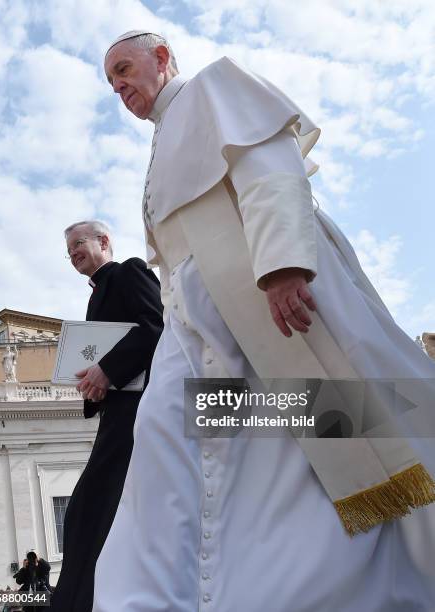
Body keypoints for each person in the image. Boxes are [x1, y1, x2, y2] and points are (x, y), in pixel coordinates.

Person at [93, 32, 435, 611]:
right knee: (176, 435)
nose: (119, 85)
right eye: (111, 81)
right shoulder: (158, 148)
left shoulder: (213, 87)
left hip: (263, 292)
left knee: (325, 429)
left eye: (124, 68)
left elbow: (270, 168)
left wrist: (282, 266)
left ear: (162, 58)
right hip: (196, 321)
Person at [50, 220, 163, 612]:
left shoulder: (130, 271)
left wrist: (107, 370)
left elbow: (156, 327)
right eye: (69, 251)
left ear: (104, 241)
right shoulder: (94, 296)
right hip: (116, 415)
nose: (73, 253)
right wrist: (94, 383)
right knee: (89, 512)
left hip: (140, 412)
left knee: (90, 508)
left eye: (78, 243)